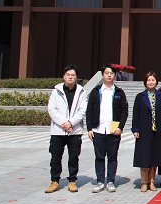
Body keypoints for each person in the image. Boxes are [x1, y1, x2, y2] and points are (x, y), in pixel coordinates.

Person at [45, 64, 88, 193]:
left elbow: (82, 110)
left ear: (76, 77)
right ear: (64, 76)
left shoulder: (81, 92)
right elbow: (52, 109)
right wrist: (64, 123)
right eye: (68, 75)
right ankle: (55, 181)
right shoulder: (56, 91)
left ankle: (72, 181)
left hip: (75, 131)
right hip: (58, 131)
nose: (70, 77)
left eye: (73, 75)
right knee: (55, 157)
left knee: (74, 157)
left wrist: (71, 123)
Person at [86, 64, 129, 193]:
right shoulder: (96, 91)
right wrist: (89, 128)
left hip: (113, 130)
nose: (109, 75)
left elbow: (124, 111)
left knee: (112, 157)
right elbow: (89, 110)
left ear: (114, 75)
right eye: (107, 73)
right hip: (98, 130)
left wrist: (120, 127)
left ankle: (110, 181)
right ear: (102, 75)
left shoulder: (119, 92)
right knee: (99, 157)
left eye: (111, 73)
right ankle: (100, 181)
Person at [132, 71, 161, 192]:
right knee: (144, 156)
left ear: (156, 82)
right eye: (149, 80)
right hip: (144, 131)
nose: (151, 82)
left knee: (154, 157)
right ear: (145, 82)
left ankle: (151, 181)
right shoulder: (140, 97)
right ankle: (144, 182)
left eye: (153, 80)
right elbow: (136, 114)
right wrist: (135, 129)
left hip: (157, 131)